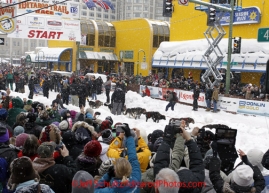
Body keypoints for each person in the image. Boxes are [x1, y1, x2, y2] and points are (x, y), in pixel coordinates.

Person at [95, 123, 141, 193]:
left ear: (115, 171)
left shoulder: (110, 191)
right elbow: (133, 158)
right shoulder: (136, 180)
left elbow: (95, 190)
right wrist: (129, 136)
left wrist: (108, 175)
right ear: (130, 169)